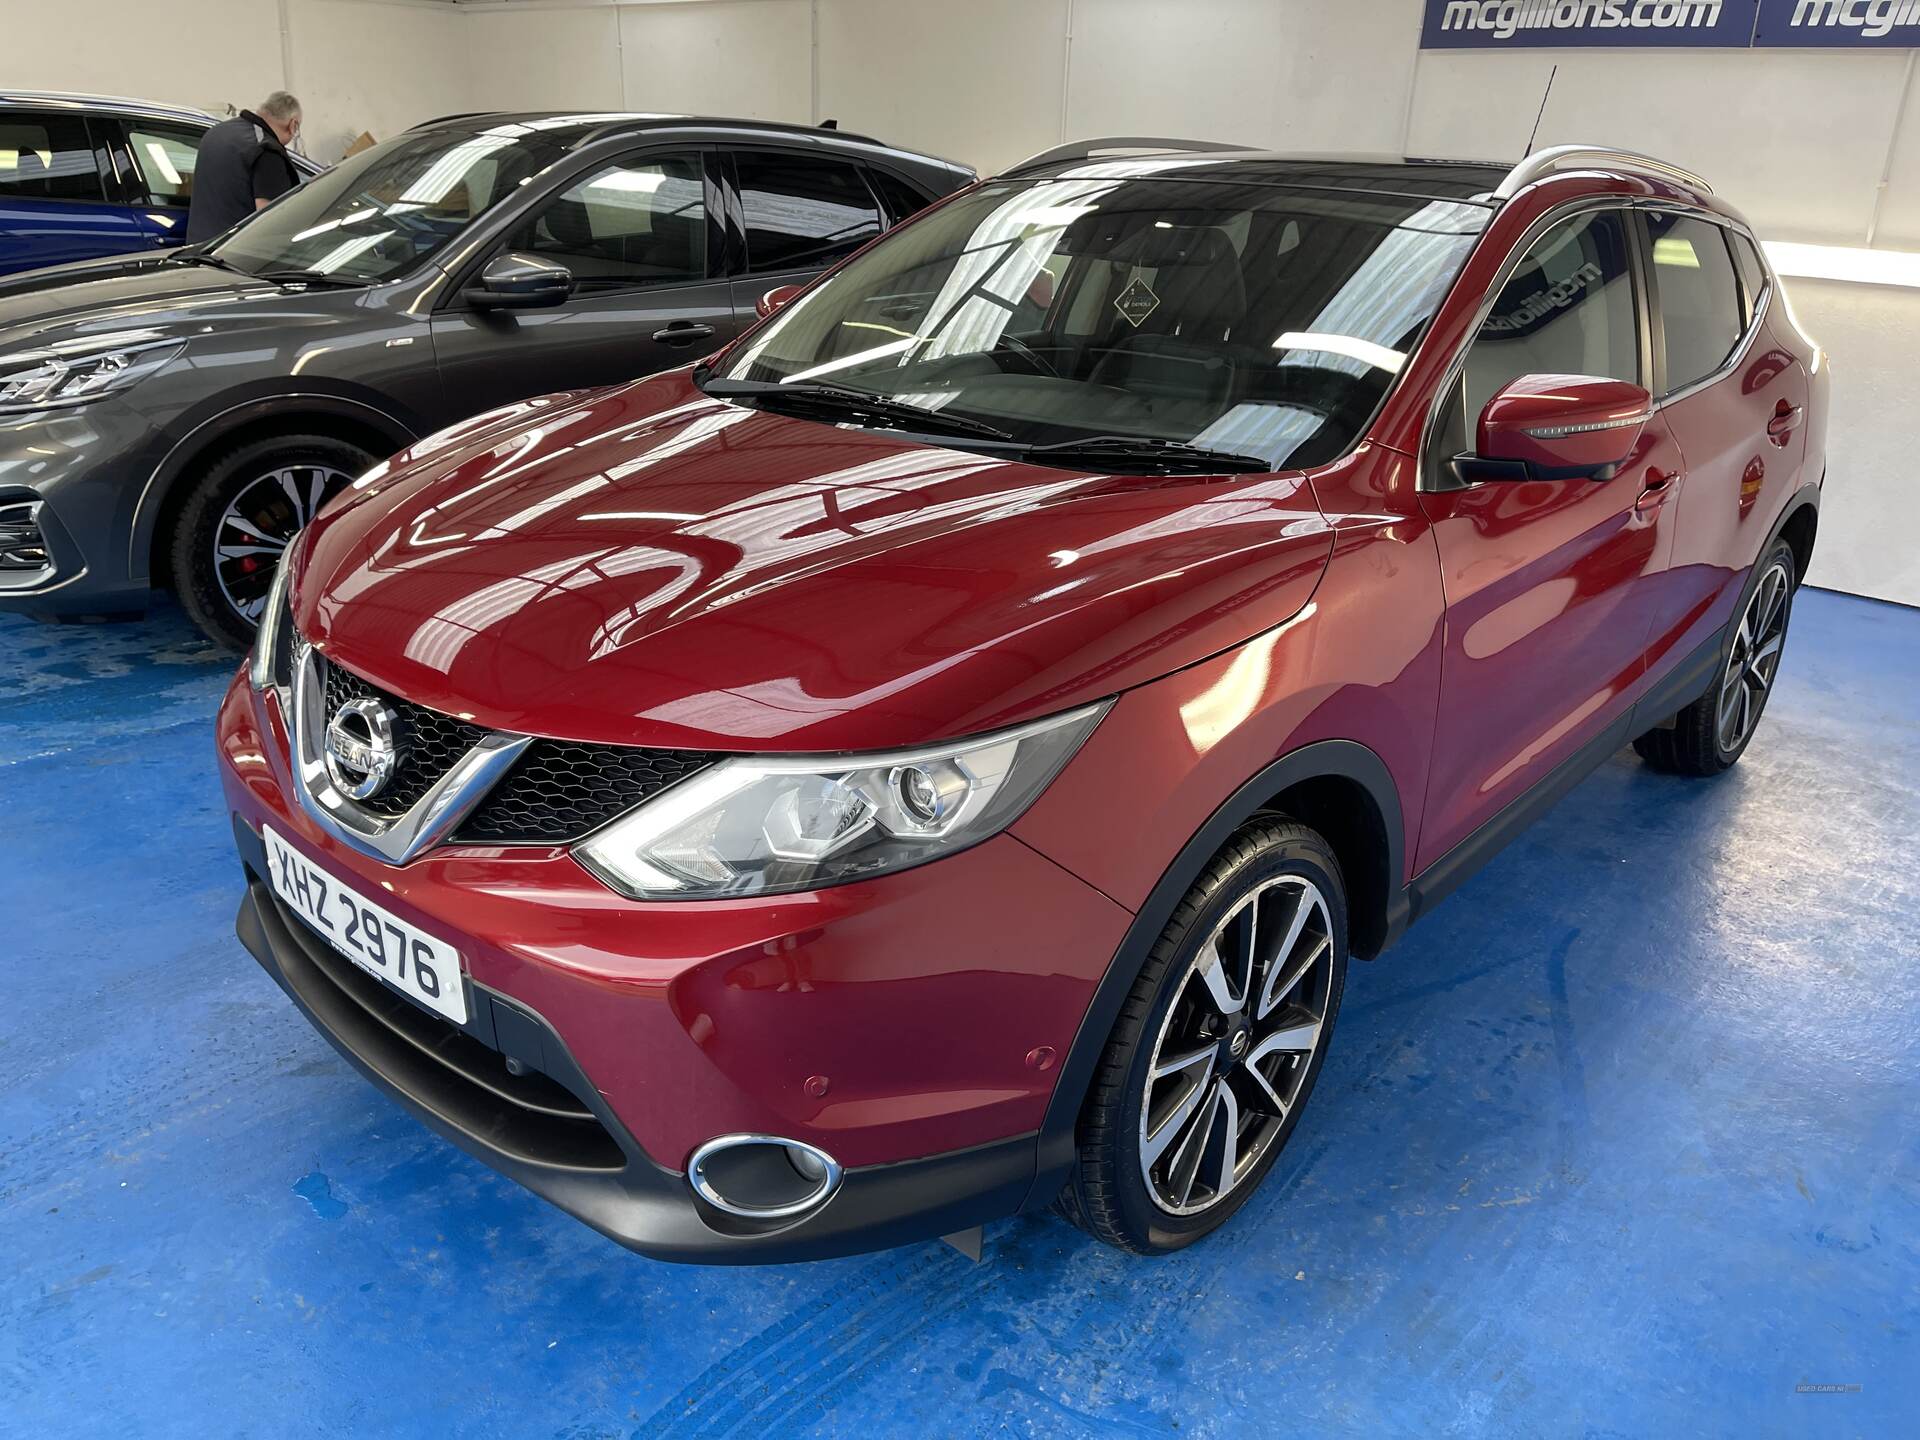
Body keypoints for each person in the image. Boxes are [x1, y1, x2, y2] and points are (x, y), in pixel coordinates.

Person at [184, 92, 304, 243]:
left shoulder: (218, 131)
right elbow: (271, 219)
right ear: (293, 125)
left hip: (200, 247)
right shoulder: (267, 150)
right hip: (236, 254)